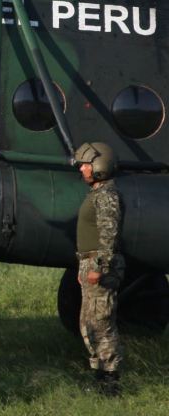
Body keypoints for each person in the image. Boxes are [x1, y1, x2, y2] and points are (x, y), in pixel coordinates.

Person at [74, 142, 125, 396]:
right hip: (90, 263)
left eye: (86, 164)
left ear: (100, 166)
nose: (82, 169)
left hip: (99, 265)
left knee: (102, 324)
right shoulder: (97, 193)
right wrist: (84, 266)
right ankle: (99, 377)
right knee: (89, 324)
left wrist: (100, 267)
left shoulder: (107, 196)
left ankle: (110, 384)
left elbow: (109, 234)